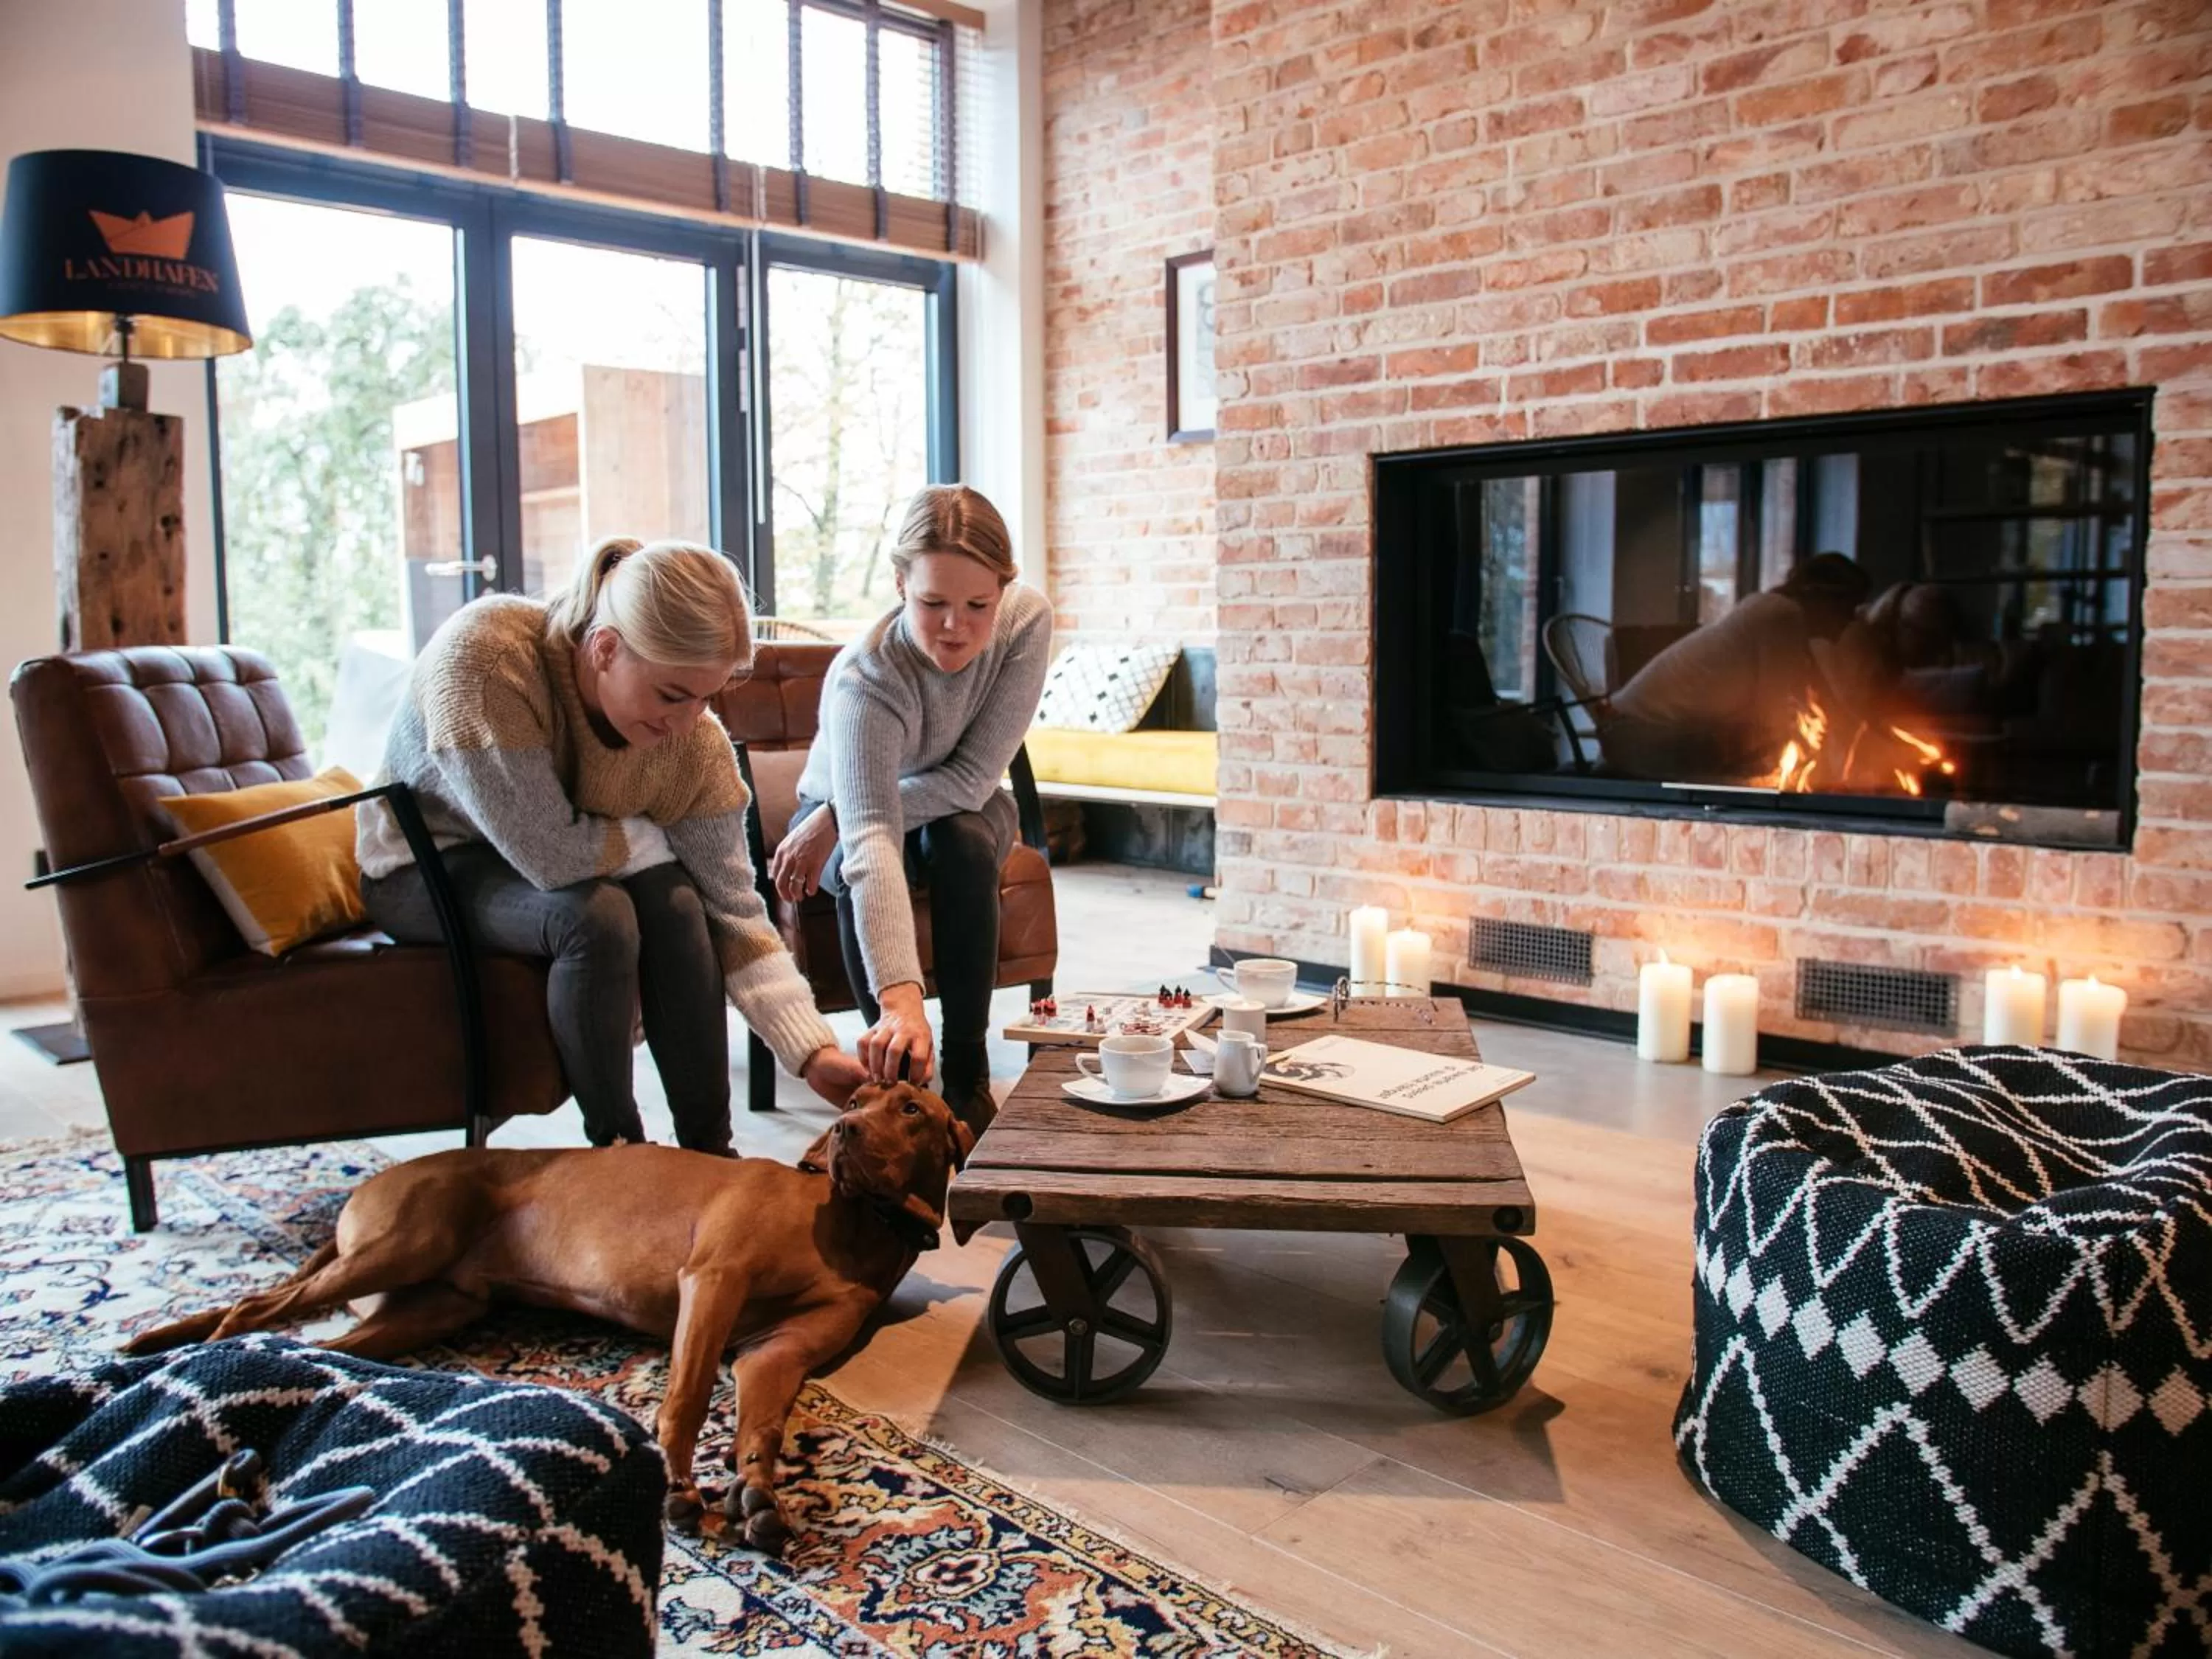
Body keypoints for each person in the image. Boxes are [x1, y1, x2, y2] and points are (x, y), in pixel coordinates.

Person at [356, 537, 869, 1153]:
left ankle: (710, 1155)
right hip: (424, 863)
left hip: (559, 850)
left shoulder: (693, 746)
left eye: (706, 697)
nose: (686, 722)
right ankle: (618, 1154)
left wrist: (812, 1051)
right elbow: (554, 859)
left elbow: (734, 909)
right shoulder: (487, 662)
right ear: (604, 648)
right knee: (599, 918)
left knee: (680, 903)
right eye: (672, 695)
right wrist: (655, 835)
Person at [766, 485, 1052, 1135]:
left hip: (962, 799)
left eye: (979, 605)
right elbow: (871, 839)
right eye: (933, 603)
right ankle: (898, 1077)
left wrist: (835, 815)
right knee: (851, 866)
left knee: (961, 841)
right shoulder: (865, 679)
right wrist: (903, 1001)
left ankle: (970, 1078)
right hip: (854, 808)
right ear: (900, 583)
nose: (957, 626)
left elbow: (974, 777)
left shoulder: (1027, 624)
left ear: (1005, 591)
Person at [1604, 552, 1871, 781]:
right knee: (1753, 754)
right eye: (1848, 608)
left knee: (1751, 747)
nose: (1849, 622)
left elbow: (1815, 700)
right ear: (1820, 596)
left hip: (1636, 732)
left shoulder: (1777, 612)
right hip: (1642, 736)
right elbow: (1773, 716)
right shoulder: (1781, 614)